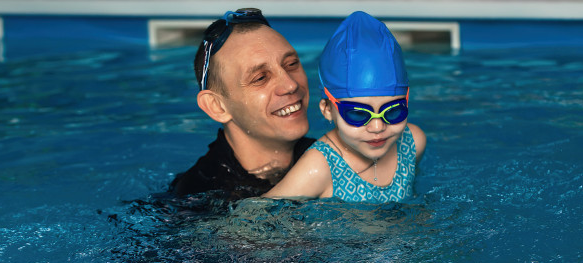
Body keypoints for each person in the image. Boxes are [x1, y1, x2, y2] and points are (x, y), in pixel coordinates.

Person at [264, 11, 426, 203]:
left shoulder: (413, 143)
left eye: (392, 111)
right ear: (327, 109)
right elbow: (253, 217)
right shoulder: (319, 167)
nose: (378, 127)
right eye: (358, 115)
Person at [168, 8, 315, 200]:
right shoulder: (200, 200)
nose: (290, 84)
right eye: (261, 77)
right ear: (216, 106)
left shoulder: (327, 156)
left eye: (291, 64)